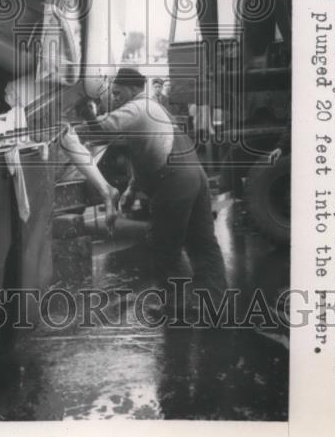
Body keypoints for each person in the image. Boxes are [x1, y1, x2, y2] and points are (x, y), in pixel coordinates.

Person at [76, 67, 228, 310]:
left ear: (133, 89)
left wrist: (80, 121)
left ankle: (177, 307)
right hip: (194, 174)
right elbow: (149, 151)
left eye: (117, 93)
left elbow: (101, 130)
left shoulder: (138, 107)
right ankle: (216, 303)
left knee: (164, 245)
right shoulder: (156, 107)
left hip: (174, 179)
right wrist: (131, 190)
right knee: (203, 242)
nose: (115, 99)